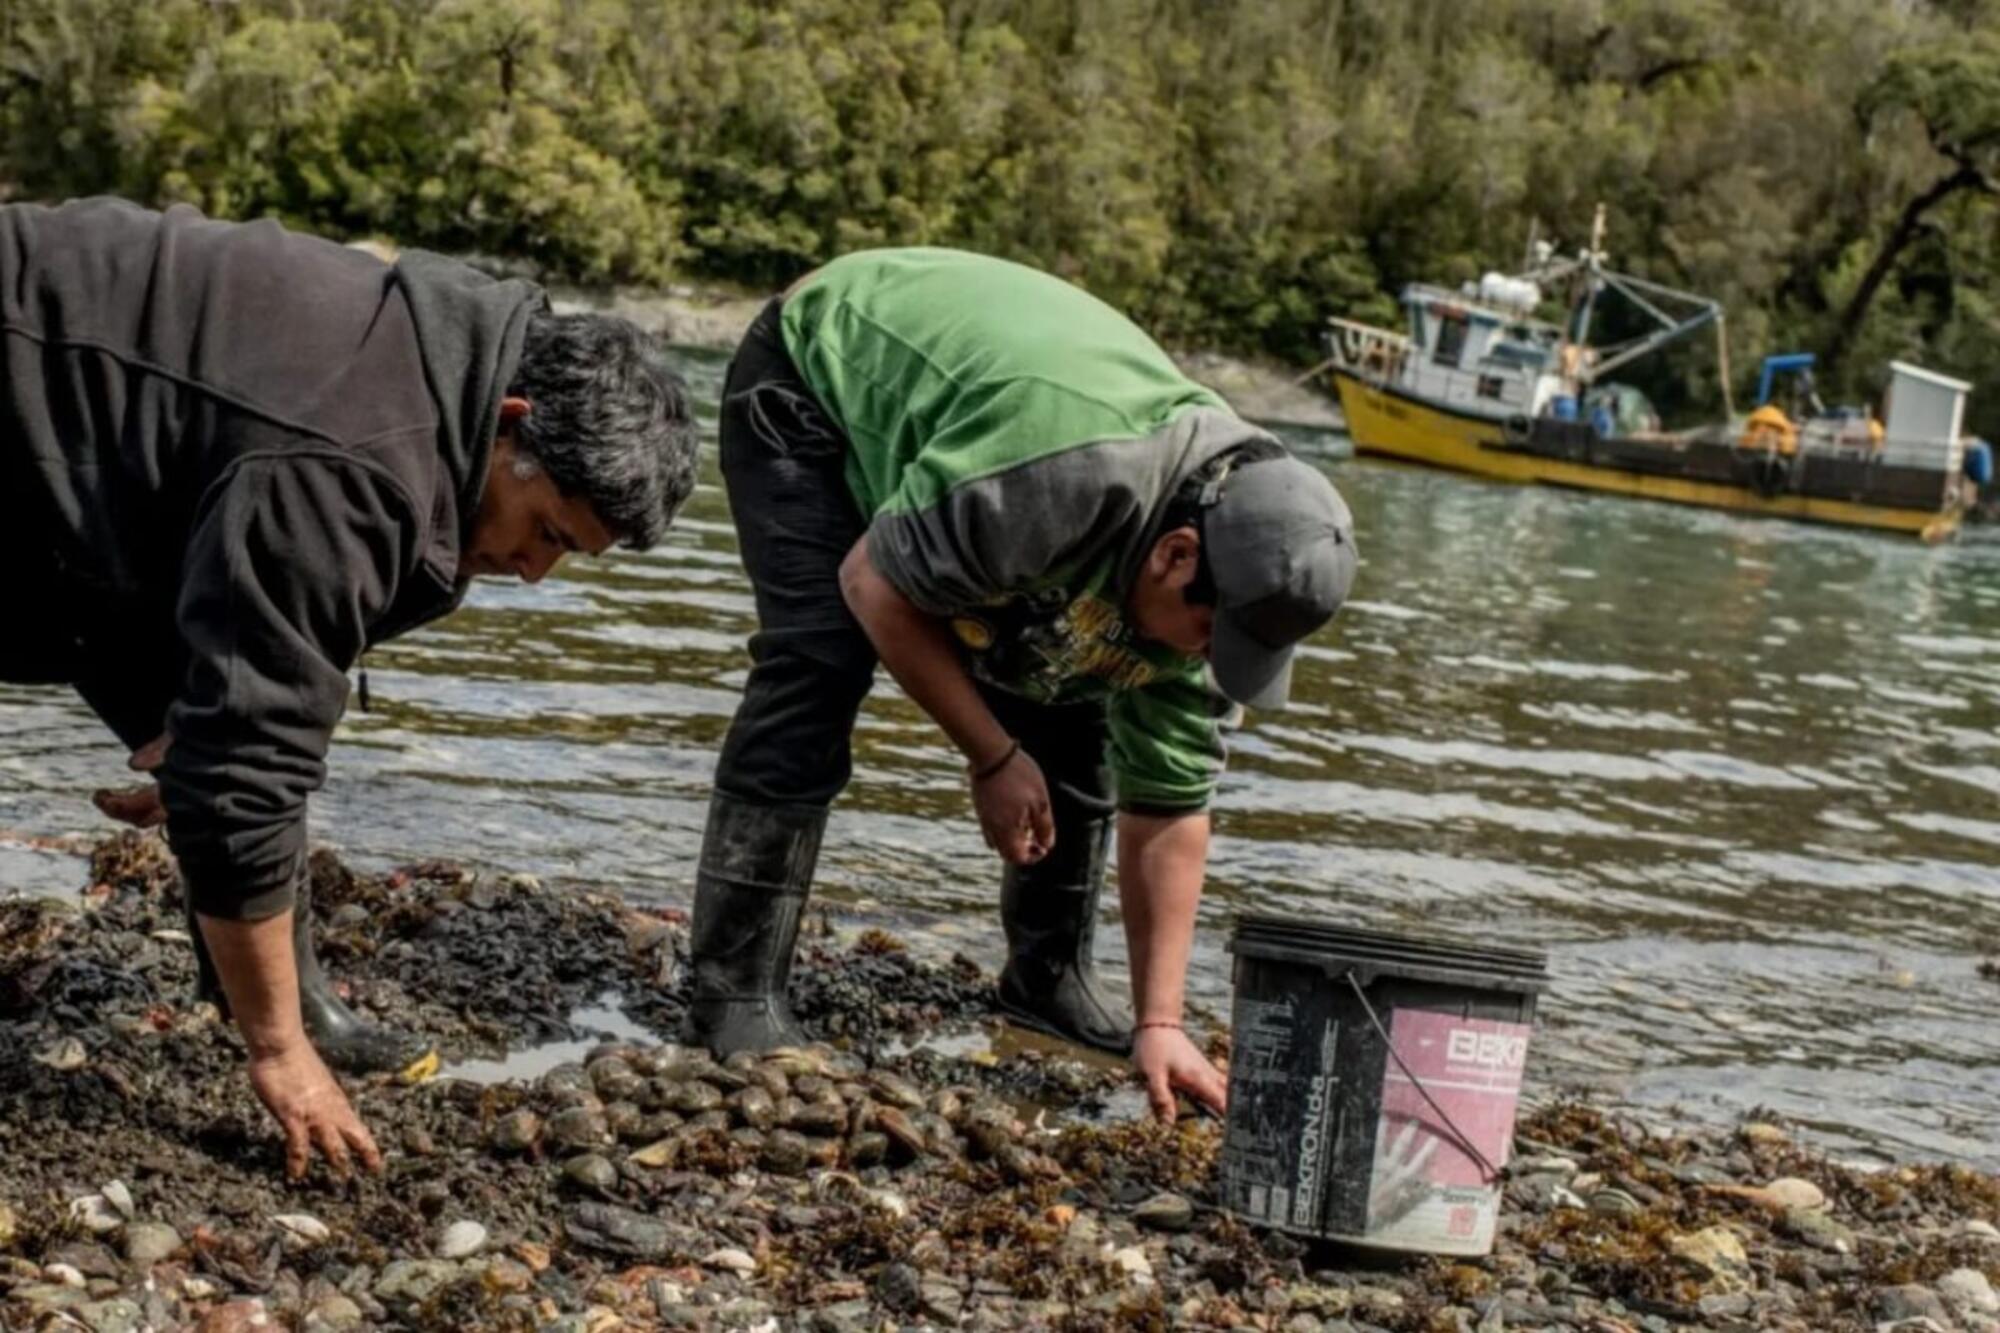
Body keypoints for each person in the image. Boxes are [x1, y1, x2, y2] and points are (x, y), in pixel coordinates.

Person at [1, 198, 700, 1176]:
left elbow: (178, 519)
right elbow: (250, 772)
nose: (536, 573)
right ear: (511, 426)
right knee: (246, 758)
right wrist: (277, 1056)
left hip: (78, 449)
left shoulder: (448, 363)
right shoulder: (352, 463)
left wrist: (181, 728)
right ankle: (286, 1025)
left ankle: (278, 995)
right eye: (545, 530)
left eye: (570, 556)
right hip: (24, 383)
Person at [682, 248, 1356, 1119]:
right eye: (1207, 631)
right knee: (819, 659)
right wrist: (992, 754)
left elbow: (1173, 801)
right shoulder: (1067, 476)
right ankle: (732, 989)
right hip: (819, 376)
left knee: (1079, 685)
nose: (1205, 660)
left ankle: (1049, 980)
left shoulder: (1241, 555)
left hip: (995, 451)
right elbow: (874, 585)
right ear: (1175, 554)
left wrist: (1161, 1019)